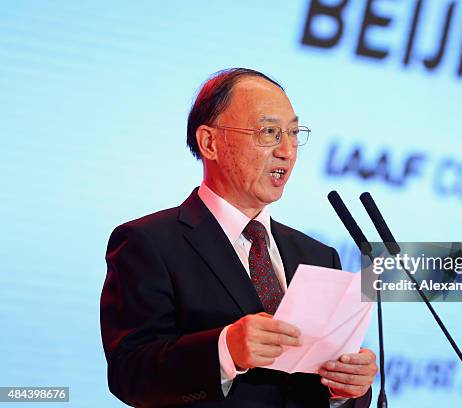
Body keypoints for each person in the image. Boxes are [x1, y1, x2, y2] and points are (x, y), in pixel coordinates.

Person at [100, 68, 377, 407]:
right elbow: (130, 375)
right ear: (210, 142)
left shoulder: (318, 256)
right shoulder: (148, 243)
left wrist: (347, 388)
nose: (287, 151)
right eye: (269, 132)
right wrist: (225, 349)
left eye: (293, 133)